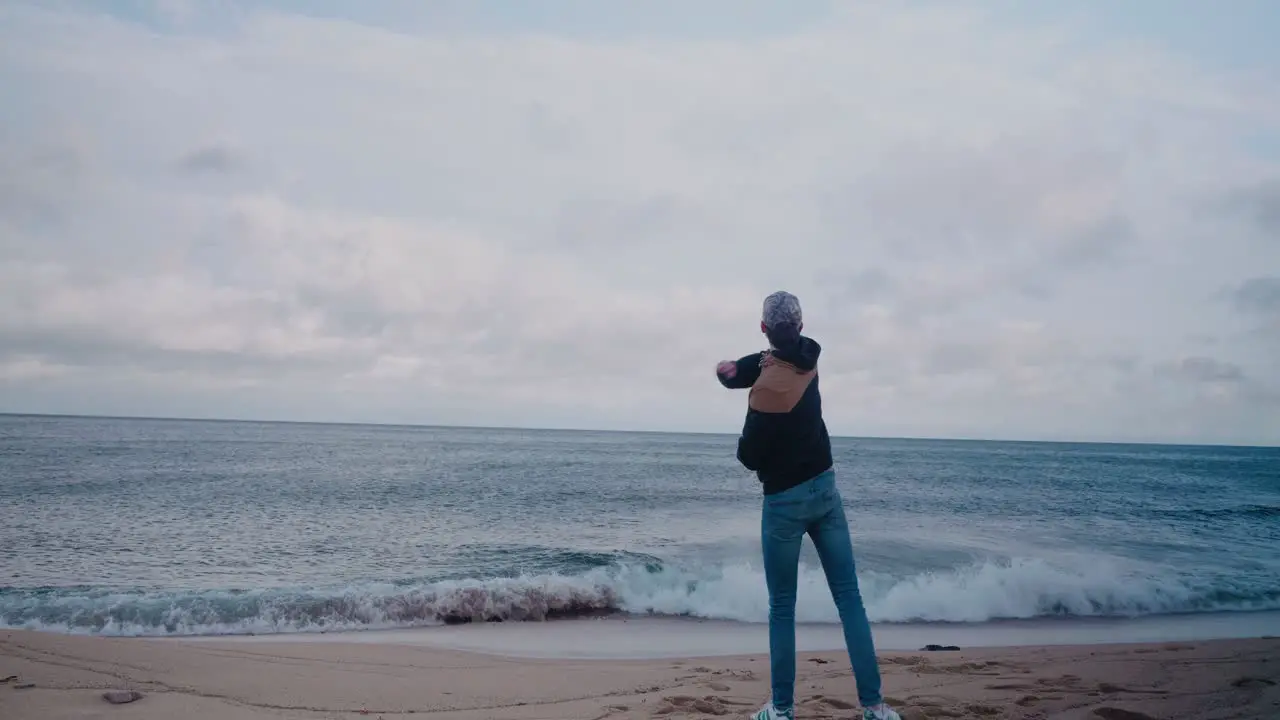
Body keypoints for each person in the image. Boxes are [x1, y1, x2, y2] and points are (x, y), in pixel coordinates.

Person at [716, 291, 899, 720]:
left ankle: (781, 709)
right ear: (799, 327)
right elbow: (760, 361)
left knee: (782, 607)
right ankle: (874, 707)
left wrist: (735, 380)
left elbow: (747, 457)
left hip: (783, 503)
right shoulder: (810, 356)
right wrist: (730, 373)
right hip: (825, 492)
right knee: (850, 599)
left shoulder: (765, 395)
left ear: (763, 328)